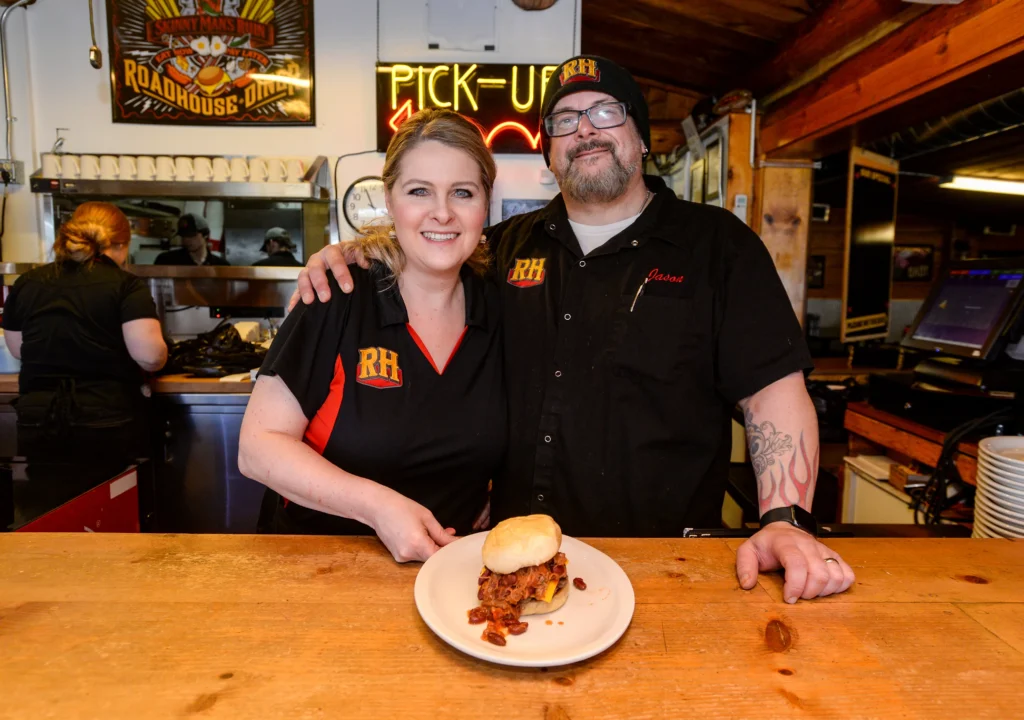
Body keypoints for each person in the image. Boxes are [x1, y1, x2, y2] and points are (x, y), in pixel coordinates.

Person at [294, 56, 856, 602]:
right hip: (519, 567)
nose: (585, 129)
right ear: (549, 153)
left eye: (606, 111)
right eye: (564, 120)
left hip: (668, 565)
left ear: (640, 138)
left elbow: (772, 393)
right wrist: (357, 253)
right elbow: (428, 253)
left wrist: (785, 520)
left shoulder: (719, 246)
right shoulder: (505, 248)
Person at [238, 108, 505, 563]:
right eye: (419, 191)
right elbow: (258, 448)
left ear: (485, 204)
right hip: (324, 570)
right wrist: (379, 508)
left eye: (462, 192)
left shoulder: (499, 304)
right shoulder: (337, 292)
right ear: (390, 198)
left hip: (454, 578)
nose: (441, 213)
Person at [1, 201, 167, 464]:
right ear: (121, 244)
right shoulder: (125, 285)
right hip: (104, 418)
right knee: (108, 499)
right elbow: (149, 356)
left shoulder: (28, 282)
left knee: (48, 501)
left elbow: (18, 348)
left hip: (39, 417)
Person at [154, 213, 230, 266]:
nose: (186, 239)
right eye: (183, 235)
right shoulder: (166, 261)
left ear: (205, 235)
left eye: (191, 235)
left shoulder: (221, 265)